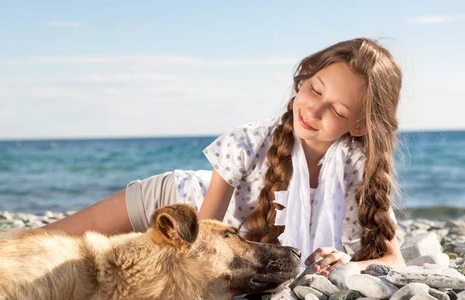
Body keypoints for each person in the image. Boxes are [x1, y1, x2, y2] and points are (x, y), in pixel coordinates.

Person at [43, 37, 406, 276]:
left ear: (359, 126)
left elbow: (394, 260)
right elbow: (200, 242)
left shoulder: (359, 173)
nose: (314, 110)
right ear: (305, 78)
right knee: (42, 246)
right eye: (314, 89)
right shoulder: (249, 141)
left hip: (204, 236)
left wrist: (349, 267)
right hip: (175, 204)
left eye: (338, 111)